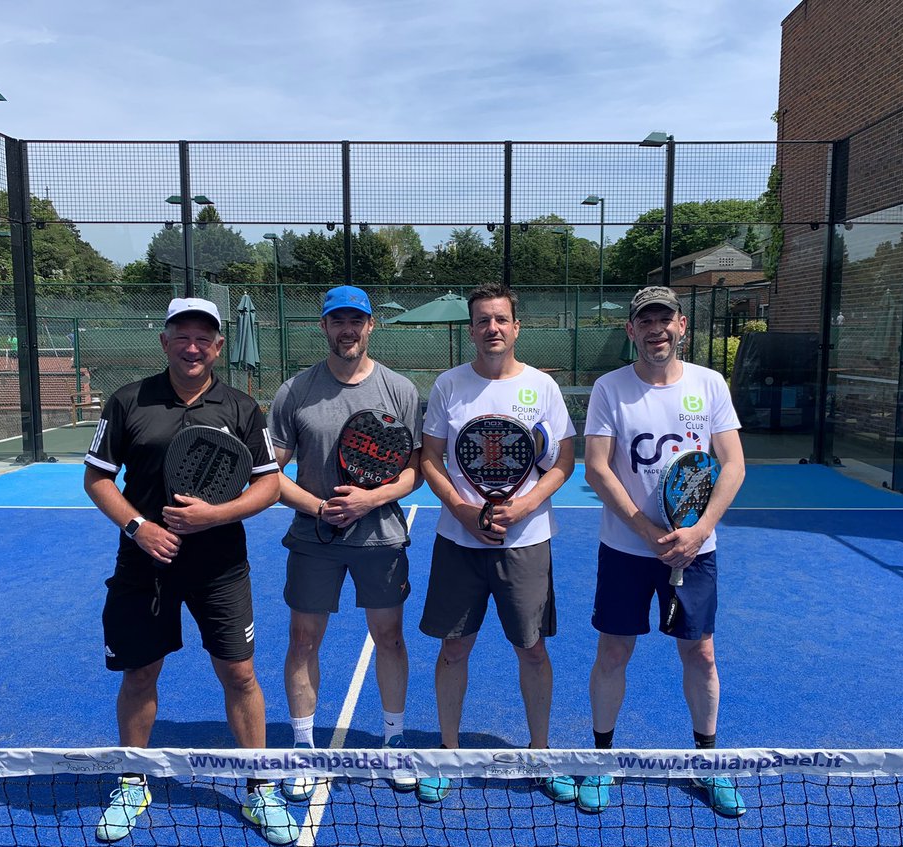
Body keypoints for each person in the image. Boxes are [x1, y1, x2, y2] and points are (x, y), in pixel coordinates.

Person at [83, 297, 299, 846]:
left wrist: (215, 516)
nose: (194, 346)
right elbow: (98, 480)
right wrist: (139, 528)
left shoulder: (243, 407)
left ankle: (259, 787)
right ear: (165, 341)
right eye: (183, 335)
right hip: (144, 561)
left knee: (241, 674)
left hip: (220, 566)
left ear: (219, 346)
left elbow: (269, 484)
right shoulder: (129, 401)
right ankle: (133, 780)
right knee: (139, 674)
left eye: (205, 337)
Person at [580, 285, 746, 816]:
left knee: (701, 653)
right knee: (613, 652)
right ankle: (603, 762)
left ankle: (707, 764)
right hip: (626, 551)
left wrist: (698, 533)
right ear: (631, 330)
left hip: (696, 552)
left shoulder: (710, 383)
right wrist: (649, 534)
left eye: (665, 319)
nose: (656, 329)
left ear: (682, 327)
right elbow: (598, 469)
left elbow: (734, 465)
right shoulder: (610, 388)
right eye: (645, 321)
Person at [416, 283, 576, 804]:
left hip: (526, 543)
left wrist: (526, 505)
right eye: (483, 320)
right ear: (471, 329)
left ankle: (541, 750)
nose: (493, 328)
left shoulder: (542, 389)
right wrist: (463, 512)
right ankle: (446, 750)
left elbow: (564, 463)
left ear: (516, 326)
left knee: (531, 650)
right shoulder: (448, 385)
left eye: (501, 319)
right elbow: (431, 460)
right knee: (454, 647)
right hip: (458, 543)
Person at [269, 286, 423, 801]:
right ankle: (303, 750)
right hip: (313, 538)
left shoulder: (399, 389)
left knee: (390, 638)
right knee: (303, 640)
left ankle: (395, 743)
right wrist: (318, 507)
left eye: (356, 320)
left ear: (371, 325)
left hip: (379, 536)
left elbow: (412, 473)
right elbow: (272, 472)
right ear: (324, 326)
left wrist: (367, 500)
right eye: (338, 320)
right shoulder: (295, 391)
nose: (347, 329)